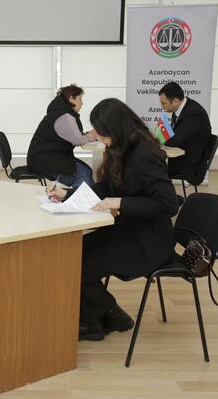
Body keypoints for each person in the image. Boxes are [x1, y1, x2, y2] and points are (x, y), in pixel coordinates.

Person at [48, 98, 179, 341]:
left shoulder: (145, 154)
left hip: (148, 241)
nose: (97, 136)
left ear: (115, 128)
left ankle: (101, 320)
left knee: (80, 267)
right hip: (129, 230)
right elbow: (106, 188)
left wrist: (122, 202)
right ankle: (108, 315)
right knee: (71, 254)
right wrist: (69, 194)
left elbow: (168, 204)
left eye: (100, 132)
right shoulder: (121, 149)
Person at [27, 84, 97, 189]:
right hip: (45, 161)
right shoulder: (64, 116)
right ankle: (80, 199)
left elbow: (72, 136)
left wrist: (86, 135)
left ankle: (79, 196)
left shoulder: (60, 113)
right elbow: (77, 140)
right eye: (80, 99)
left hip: (47, 158)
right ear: (71, 99)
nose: (82, 103)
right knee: (84, 174)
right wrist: (90, 137)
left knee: (86, 170)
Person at [158, 81, 212, 185]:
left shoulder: (193, 114)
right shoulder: (184, 108)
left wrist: (158, 137)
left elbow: (172, 142)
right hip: (182, 156)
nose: (162, 107)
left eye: (164, 103)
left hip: (191, 164)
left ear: (175, 101)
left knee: (150, 166)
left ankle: (162, 195)